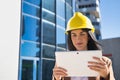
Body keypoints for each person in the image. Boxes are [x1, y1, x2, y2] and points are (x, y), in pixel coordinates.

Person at [52, 12, 115, 80]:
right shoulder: (63, 62)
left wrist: (106, 75)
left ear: (88, 36)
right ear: (70, 38)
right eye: (74, 35)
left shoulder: (104, 62)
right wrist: (56, 78)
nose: (78, 39)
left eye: (82, 34)